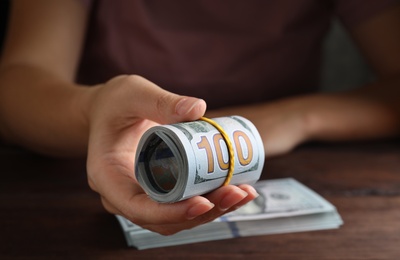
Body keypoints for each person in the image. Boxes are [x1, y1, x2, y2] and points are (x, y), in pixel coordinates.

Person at [0, 0, 399, 236]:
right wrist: (94, 109)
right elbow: (16, 87)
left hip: (278, 169)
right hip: (86, 168)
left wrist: (295, 118)